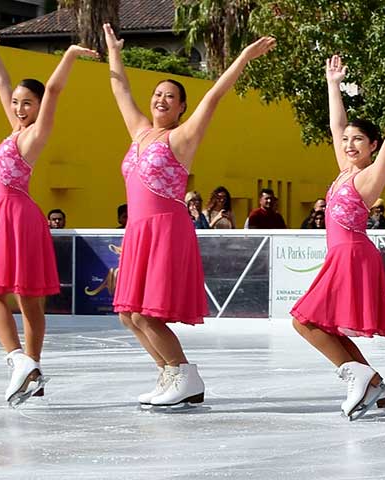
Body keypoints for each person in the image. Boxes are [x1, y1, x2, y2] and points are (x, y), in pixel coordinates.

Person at [103, 23, 275, 410]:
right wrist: (114, 51)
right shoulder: (139, 132)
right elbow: (120, 90)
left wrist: (244, 58)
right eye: (158, 94)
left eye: (172, 97)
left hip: (165, 228)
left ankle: (184, 373)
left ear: (181, 107)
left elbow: (214, 96)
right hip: (138, 231)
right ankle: (171, 374)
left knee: (146, 314)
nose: (163, 99)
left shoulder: (180, 138)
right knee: (128, 316)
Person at [289, 55, 385, 420]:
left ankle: (360, 378)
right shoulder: (344, 171)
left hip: (352, 254)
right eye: (346, 140)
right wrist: (333, 85)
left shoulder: (368, 177)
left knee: (303, 321)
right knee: (321, 325)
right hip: (341, 255)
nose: (350, 144)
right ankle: (374, 388)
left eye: (359, 140)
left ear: (370, 145)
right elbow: (336, 123)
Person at [0, 29, 90, 406]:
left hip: (15, 215)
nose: (20, 108)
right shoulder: (15, 129)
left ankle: (18, 359)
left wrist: (69, 55)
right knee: (26, 300)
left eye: (27, 103)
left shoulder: (36, 134)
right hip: (12, 215)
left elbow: (53, 92)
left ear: (38, 106)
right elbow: (2, 83)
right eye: (17, 103)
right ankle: (32, 372)